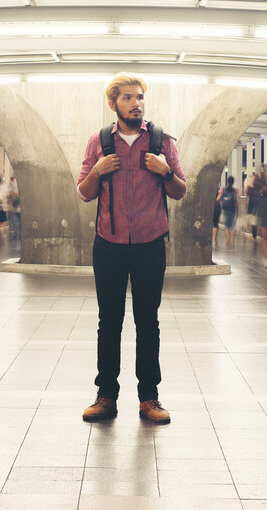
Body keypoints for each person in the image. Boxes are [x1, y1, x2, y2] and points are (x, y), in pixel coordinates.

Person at [77, 72, 186, 425]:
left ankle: (149, 399)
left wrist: (165, 171)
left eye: (139, 97)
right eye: (127, 98)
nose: (136, 103)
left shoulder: (161, 141)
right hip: (108, 243)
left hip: (150, 243)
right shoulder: (98, 142)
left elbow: (180, 190)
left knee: (147, 322)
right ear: (113, 104)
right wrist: (97, 169)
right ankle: (106, 396)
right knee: (108, 322)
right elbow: (84, 192)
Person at [217, 176, 238, 246]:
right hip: (232, 209)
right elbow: (236, 201)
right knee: (232, 225)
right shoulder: (234, 190)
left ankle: (227, 241)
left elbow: (218, 199)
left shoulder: (223, 190)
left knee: (226, 225)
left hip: (225, 209)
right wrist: (238, 211)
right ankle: (232, 241)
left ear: (227, 181)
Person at [245, 173, 261, 243]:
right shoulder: (248, 188)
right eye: (252, 179)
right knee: (253, 221)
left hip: (257, 205)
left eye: (254, 179)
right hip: (251, 205)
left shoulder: (258, 187)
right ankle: (254, 235)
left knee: (255, 221)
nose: (253, 180)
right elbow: (246, 197)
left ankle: (255, 235)